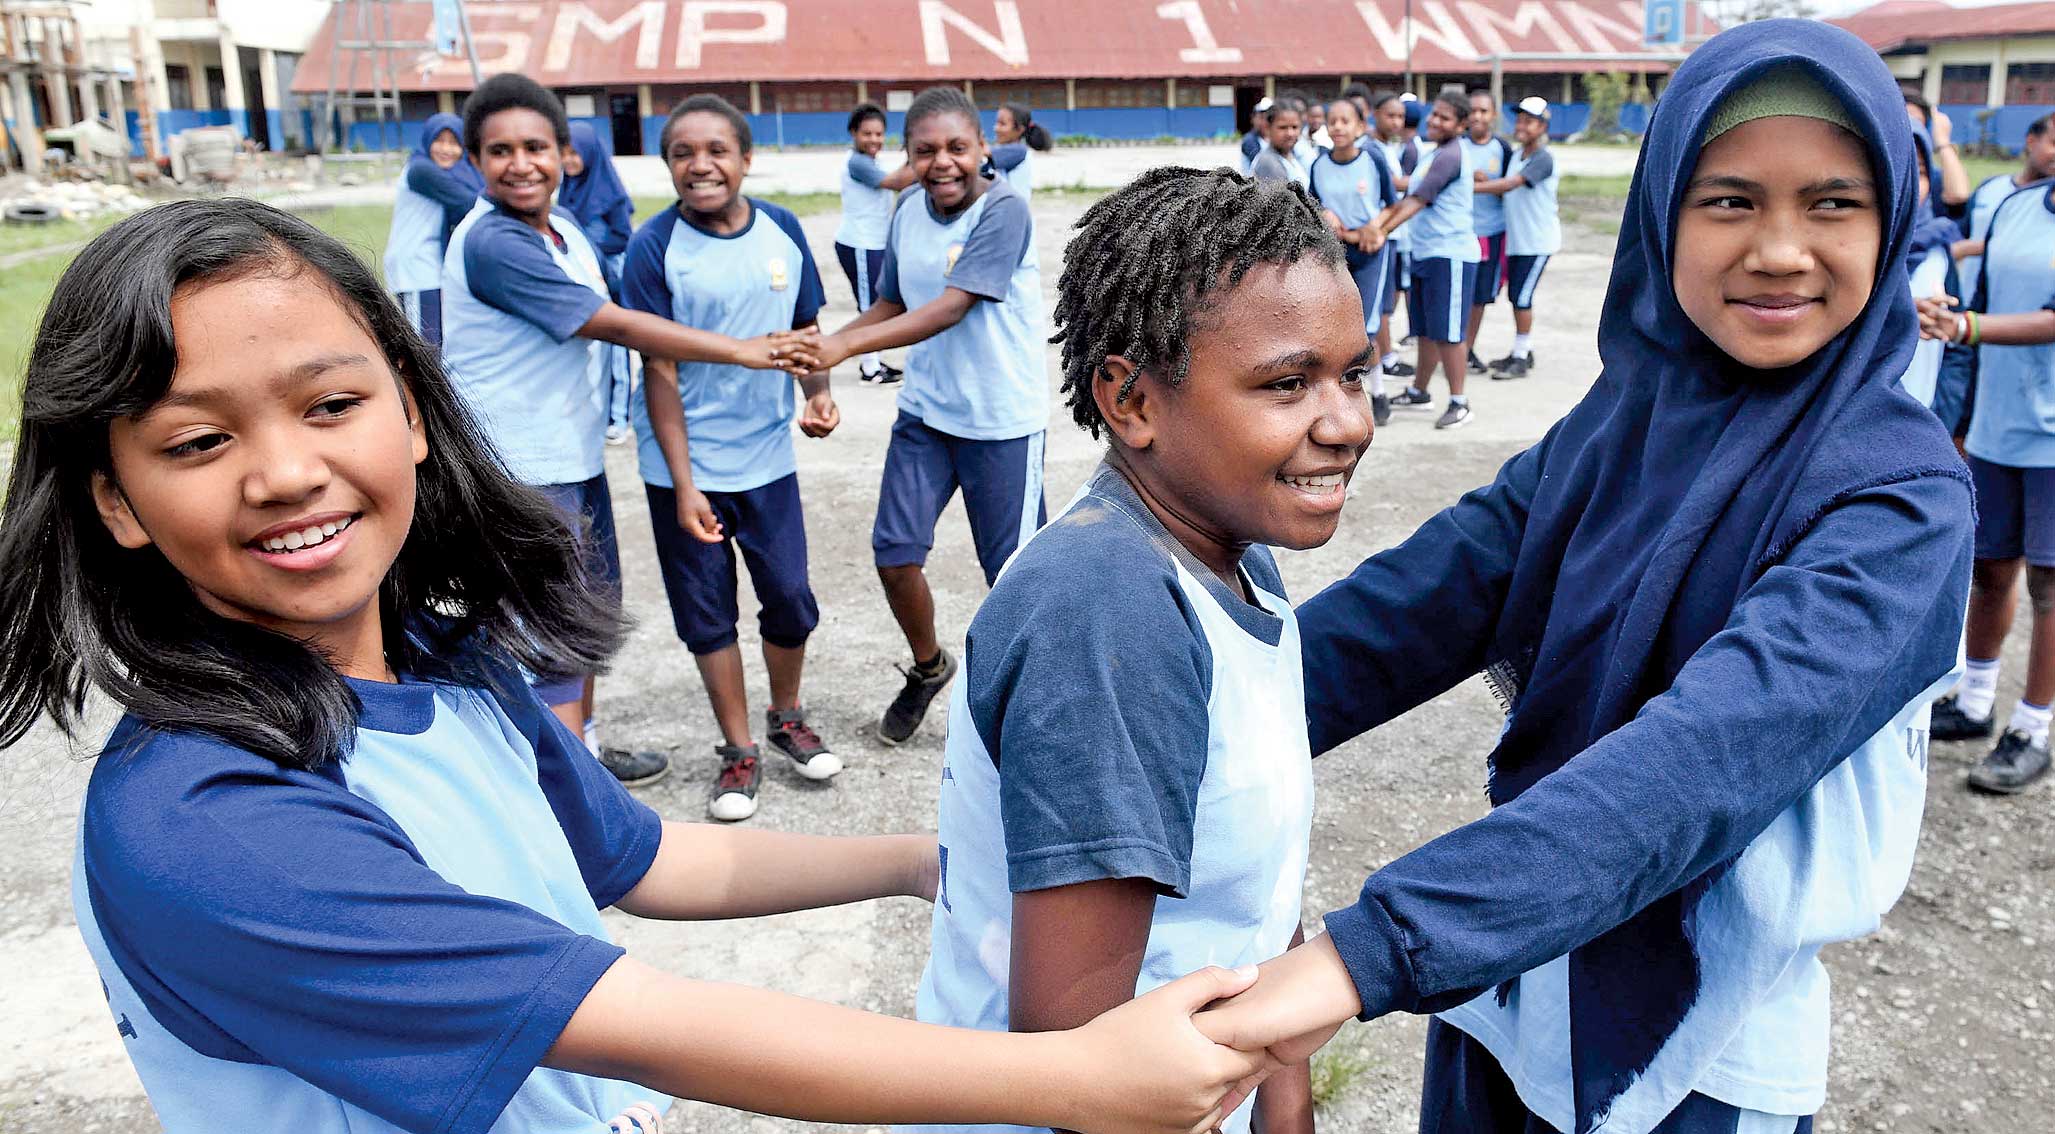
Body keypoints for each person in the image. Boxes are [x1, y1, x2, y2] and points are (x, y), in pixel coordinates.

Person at [0, 195, 1281, 1134]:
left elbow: (654, 859)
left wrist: (933, 861)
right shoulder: (208, 824)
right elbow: (654, 1026)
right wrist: (1076, 1079)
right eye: (197, 440)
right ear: (112, 499)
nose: (285, 472)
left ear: (408, 404)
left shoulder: (442, 666)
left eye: (329, 405)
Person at [1192, 22, 1974, 1134]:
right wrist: (1184, 730)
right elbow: (1435, 593)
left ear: (1892, 219)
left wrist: (1365, 954)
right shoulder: (1627, 416)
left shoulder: (1902, 499)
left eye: (1834, 204)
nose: (1782, 249)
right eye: (1731, 200)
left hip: (1694, 1043)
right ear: (1663, 215)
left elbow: (1703, 760)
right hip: (1511, 983)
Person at [913, 166, 1372, 1134]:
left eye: (1355, 373)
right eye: (1288, 384)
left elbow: (1260, 907)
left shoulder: (1235, 554)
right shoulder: (1108, 611)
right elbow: (1082, 1076)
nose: (1347, 423)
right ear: (1130, 400)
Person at [440, 74, 811, 786]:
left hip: (571, 455)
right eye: (499, 150)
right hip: (519, 465)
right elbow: (606, 321)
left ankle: (583, 754)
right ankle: (565, 795)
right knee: (541, 629)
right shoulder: (491, 244)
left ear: (565, 155)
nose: (521, 163)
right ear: (476, 161)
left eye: (535, 147)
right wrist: (739, 348)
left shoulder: (560, 230)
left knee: (578, 616)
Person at [623, 95, 844, 823]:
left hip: (766, 461)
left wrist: (818, 393)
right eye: (683, 153)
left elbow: (805, 329)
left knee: (788, 597)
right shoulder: (653, 249)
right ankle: (738, 748)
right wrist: (685, 486)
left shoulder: (780, 229)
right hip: (682, 472)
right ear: (668, 168)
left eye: (716, 150)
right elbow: (658, 368)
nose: (700, 165)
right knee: (707, 615)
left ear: (745, 159)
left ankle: (786, 717)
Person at [809, 86, 1049, 746]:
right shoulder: (908, 207)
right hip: (927, 413)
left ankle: (1032, 704)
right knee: (893, 554)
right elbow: (890, 302)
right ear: (907, 156)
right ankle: (927, 666)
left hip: (1001, 418)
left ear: (980, 150)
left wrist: (844, 345)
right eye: (924, 151)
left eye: (956, 148)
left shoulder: (1005, 210)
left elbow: (949, 307)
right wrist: (821, 354)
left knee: (1013, 579)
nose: (941, 163)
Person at [1920, 167, 2055, 794]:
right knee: (1991, 568)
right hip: (1999, 423)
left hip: (2053, 435)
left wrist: (1966, 327)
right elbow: (1983, 290)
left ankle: (2033, 729)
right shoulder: (2018, 206)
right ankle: (1975, 702)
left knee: (2050, 586)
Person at [1360, 90, 1478, 430]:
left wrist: (1379, 230)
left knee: (1449, 332)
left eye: (1445, 117)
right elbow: (1406, 192)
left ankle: (1459, 401)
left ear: (1461, 124)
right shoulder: (1433, 152)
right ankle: (1420, 391)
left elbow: (1418, 200)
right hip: (1427, 252)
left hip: (1451, 254)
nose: (1435, 121)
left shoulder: (1452, 155)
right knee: (1425, 329)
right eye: (1434, 114)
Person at [1310, 97, 1398, 426]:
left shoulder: (1372, 160)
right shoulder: (1319, 165)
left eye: (1346, 121)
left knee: (1369, 324)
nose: (1338, 127)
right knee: (1337, 323)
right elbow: (1314, 205)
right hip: (1336, 252)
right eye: (1332, 121)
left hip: (1371, 250)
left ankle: (1377, 392)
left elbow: (1392, 204)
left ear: (1361, 127)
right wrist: (1324, 214)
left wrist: (1376, 227)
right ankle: (1339, 392)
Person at [558, 121, 638, 446]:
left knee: (617, 350)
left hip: (610, 278)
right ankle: (599, 412)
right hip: (582, 277)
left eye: (575, 154)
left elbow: (622, 237)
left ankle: (620, 416)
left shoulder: (610, 194)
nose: (569, 161)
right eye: (564, 154)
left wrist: (591, 250)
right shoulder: (567, 189)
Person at [1471, 96, 1560, 380]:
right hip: (1519, 241)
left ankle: (1520, 357)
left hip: (1537, 242)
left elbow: (1511, 185)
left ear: (1543, 126)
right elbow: (1506, 189)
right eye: (1520, 119)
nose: (1522, 125)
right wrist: (1486, 183)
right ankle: (1523, 349)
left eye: (1529, 121)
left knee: (1521, 296)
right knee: (1516, 295)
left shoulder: (1542, 158)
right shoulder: (1519, 155)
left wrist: (1468, 186)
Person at [836, 102, 918, 386]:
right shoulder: (857, 163)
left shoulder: (870, 161)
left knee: (878, 302)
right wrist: (917, 154)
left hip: (874, 243)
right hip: (860, 244)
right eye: (867, 134)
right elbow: (897, 183)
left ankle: (873, 360)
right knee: (869, 305)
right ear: (853, 133)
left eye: (879, 134)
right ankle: (869, 369)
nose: (873, 140)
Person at [382, 113, 480, 347]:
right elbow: (470, 202)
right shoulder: (420, 171)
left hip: (431, 267)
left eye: (454, 142)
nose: (446, 149)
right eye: (440, 140)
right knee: (425, 348)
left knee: (439, 343)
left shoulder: (448, 173)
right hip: (416, 270)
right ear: (427, 141)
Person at [1951, 111, 2055, 301]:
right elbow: (1961, 234)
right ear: (2031, 142)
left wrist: (1974, 248)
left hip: (2023, 315)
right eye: (2054, 143)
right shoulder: (1990, 187)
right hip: (1970, 303)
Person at [1459, 88, 1514, 376]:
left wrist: (1493, 185)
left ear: (1493, 115)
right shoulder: (1457, 147)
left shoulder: (1503, 150)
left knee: (1481, 297)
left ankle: (1467, 348)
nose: (1478, 116)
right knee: (1460, 294)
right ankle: (1453, 346)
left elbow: (1512, 190)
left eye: (1484, 111)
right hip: (1462, 234)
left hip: (1491, 234)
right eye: (1473, 111)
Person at [1370, 92, 1418, 382]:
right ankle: (1384, 359)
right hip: (1381, 232)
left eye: (1400, 116)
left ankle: (1386, 355)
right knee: (1382, 302)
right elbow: (1393, 186)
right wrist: (1432, 176)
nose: (1396, 121)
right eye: (1390, 115)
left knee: (1389, 299)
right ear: (1375, 114)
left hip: (1395, 232)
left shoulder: (1390, 147)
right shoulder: (1373, 149)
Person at [1902, 93, 1970, 211]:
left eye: (1917, 122)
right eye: (1902, 119)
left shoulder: (1931, 175)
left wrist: (1943, 142)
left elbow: (1958, 195)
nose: (1910, 127)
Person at [990, 102, 1054, 208]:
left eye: (1002, 124)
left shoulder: (1018, 151)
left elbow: (978, 156)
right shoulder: (1010, 150)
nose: (996, 128)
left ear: (1019, 129)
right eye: (997, 123)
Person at [1249, 100, 1309, 191]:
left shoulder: (1290, 155)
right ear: (1268, 128)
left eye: (1295, 127)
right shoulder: (1269, 162)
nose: (1290, 133)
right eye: (1283, 127)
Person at [1238, 97, 1272, 176]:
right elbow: (1264, 165)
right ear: (1253, 119)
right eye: (1261, 117)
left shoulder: (1272, 139)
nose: (1265, 122)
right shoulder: (1249, 140)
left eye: (1269, 118)